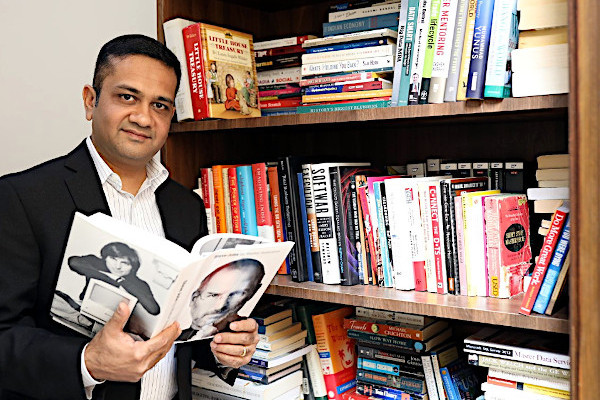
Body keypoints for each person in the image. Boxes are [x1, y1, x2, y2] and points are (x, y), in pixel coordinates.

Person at [0, 34, 258, 400]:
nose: (143, 117)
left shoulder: (187, 207)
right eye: (127, 97)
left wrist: (224, 349)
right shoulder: (22, 197)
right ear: (91, 101)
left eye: (160, 105)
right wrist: (86, 362)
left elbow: (184, 333)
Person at [178, 258, 265, 341]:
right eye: (213, 295)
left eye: (235, 295)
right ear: (194, 297)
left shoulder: (241, 331)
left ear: (253, 293)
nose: (219, 307)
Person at [68, 242, 160, 315]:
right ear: (105, 258)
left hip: (114, 320)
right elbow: (73, 262)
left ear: (133, 267)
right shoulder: (97, 263)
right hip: (82, 308)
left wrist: (122, 282)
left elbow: (154, 309)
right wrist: (112, 279)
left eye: (125, 263)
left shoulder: (139, 283)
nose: (117, 266)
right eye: (113, 259)